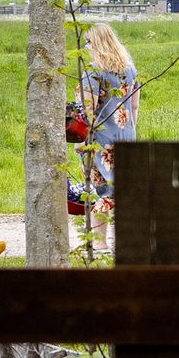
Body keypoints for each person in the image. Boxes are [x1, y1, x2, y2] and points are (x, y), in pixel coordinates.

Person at [77, 23, 138, 253]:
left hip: (100, 137)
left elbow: (88, 110)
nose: (86, 46)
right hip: (124, 133)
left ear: (96, 43)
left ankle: (99, 242)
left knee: (101, 189)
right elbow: (134, 104)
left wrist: (83, 141)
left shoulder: (93, 73)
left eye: (88, 42)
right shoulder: (129, 69)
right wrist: (129, 128)